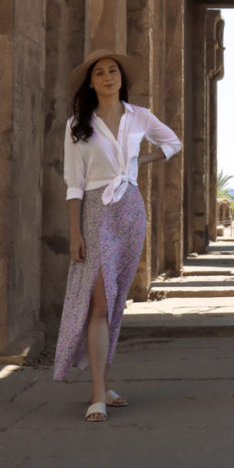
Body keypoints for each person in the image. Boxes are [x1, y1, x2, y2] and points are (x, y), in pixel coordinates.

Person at [54, 48, 181, 421]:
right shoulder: (78, 124)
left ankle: (104, 384)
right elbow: (74, 184)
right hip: (95, 211)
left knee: (113, 301)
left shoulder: (140, 117)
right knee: (98, 302)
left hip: (130, 210)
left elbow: (172, 143)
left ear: (121, 78)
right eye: (100, 73)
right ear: (91, 83)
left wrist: (138, 162)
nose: (108, 77)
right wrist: (75, 231)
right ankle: (97, 391)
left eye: (113, 71)